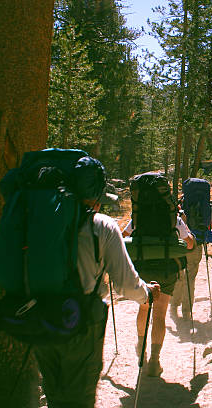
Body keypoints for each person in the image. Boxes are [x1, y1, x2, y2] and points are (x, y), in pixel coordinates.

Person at [32, 157, 161, 408]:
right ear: (97, 194)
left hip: (39, 317)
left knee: (53, 391)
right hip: (82, 321)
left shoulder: (40, 222)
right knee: (79, 398)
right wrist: (147, 294)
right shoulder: (102, 225)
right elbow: (125, 284)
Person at [122, 210, 195, 377]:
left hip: (142, 268)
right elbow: (190, 245)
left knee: (144, 307)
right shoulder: (173, 219)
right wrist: (186, 231)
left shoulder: (138, 217)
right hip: (167, 269)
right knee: (160, 314)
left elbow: (122, 236)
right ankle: (154, 361)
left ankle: (141, 348)